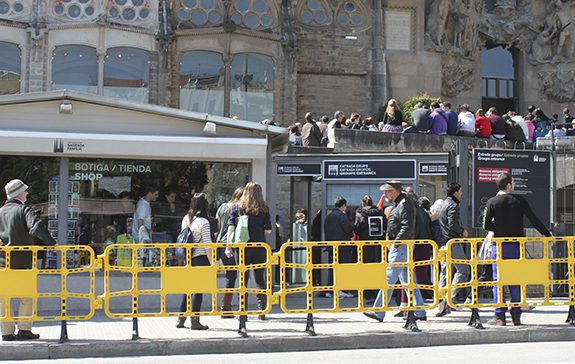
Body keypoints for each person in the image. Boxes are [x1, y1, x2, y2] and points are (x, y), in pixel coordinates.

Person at [483, 172, 552, 326]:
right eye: (513, 183)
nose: (514, 186)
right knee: (516, 281)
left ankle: (500, 316)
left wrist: (498, 228)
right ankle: (516, 316)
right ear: (508, 185)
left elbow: (486, 225)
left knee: (498, 281)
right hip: (516, 247)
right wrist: (547, 235)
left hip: (499, 247)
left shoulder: (492, 202)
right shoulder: (519, 200)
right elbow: (534, 219)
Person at [0, 179, 57, 341]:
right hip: (23, 261)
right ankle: (24, 329)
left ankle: (6, 332)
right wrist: (51, 243)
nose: (27, 193)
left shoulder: (0, 212)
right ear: (18, 193)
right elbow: (36, 227)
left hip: (2, 262)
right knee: (27, 296)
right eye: (25, 191)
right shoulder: (24, 210)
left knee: (4, 298)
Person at [363, 181, 427, 323]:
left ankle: (379, 311)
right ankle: (420, 311)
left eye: (387, 191)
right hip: (403, 246)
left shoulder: (403, 204)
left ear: (394, 191)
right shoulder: (402, 203)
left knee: (389, 279)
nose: (384, 194)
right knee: (409, 281)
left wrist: (396, 243)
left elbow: (407, 227)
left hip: (401, 247)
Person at [227, 181, 272, 323]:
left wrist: (228, 246)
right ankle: (261, 311)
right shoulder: (264, 208)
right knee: (259, 279)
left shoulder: (238, 207)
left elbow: (231, 227)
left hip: (242, 247)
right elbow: (269, 229)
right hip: (259, 247)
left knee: (242, 279)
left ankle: (243, 311)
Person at [176, 193, 213, 330]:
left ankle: (181, 319)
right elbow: (207, 245)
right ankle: (195, 321)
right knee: (198, 290)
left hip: (188, 258)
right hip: (201, 258)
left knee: (188, 289)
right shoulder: (204, 222)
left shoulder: (186, 219)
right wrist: (212, 263)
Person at [436, 182, 469, 317]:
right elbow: (452, 224)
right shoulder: (453, 205)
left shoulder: (443, 204)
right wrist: (462, 231)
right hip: (452, 243)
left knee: (444, 272)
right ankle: (449, 298)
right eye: (460, 191)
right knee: (464, 270)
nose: (461, 194)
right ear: (455, 193)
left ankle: (441, 303)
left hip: (442, 244)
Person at [215, 187, 244, 318]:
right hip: (231, 245)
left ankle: (227, 306)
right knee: (232, 276)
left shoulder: (222, 207)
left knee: (230, 274)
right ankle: (225, 307)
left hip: (220, 243)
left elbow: (217, 226)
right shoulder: (239, 208)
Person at [324, 196, 355, 298]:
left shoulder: (328, 217)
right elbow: (347, 228)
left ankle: (330, 291)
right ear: (343, 206)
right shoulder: (342, 216)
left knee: (332, 269)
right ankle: (343, 290)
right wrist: (352, 225)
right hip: (343, 247)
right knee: (344, 269)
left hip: (331, 247)